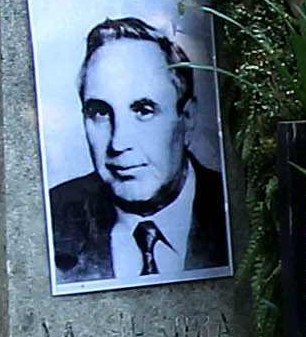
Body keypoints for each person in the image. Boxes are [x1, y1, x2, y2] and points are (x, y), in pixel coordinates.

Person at [48, 17, 229, 286]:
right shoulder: (53, 217)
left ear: (187, 118)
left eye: (144, 111)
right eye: (100, 112)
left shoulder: (237, 204)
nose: (118, 143)